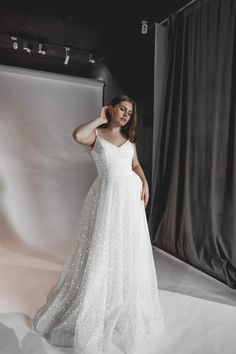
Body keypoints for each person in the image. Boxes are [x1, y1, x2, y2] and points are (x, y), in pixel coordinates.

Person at [32, 94, 165, 354]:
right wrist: (99, 118)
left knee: (128, 249)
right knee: (103, 248)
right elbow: (77, 135)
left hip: (130, 201)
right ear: (111, 109)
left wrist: (145, 183)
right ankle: (98, 300)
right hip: (108, 198)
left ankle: (124, 298)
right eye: (122, 109)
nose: (126, 115)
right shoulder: (97, 135)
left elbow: (135, 165)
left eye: (129, 112)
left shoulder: (130, 140)